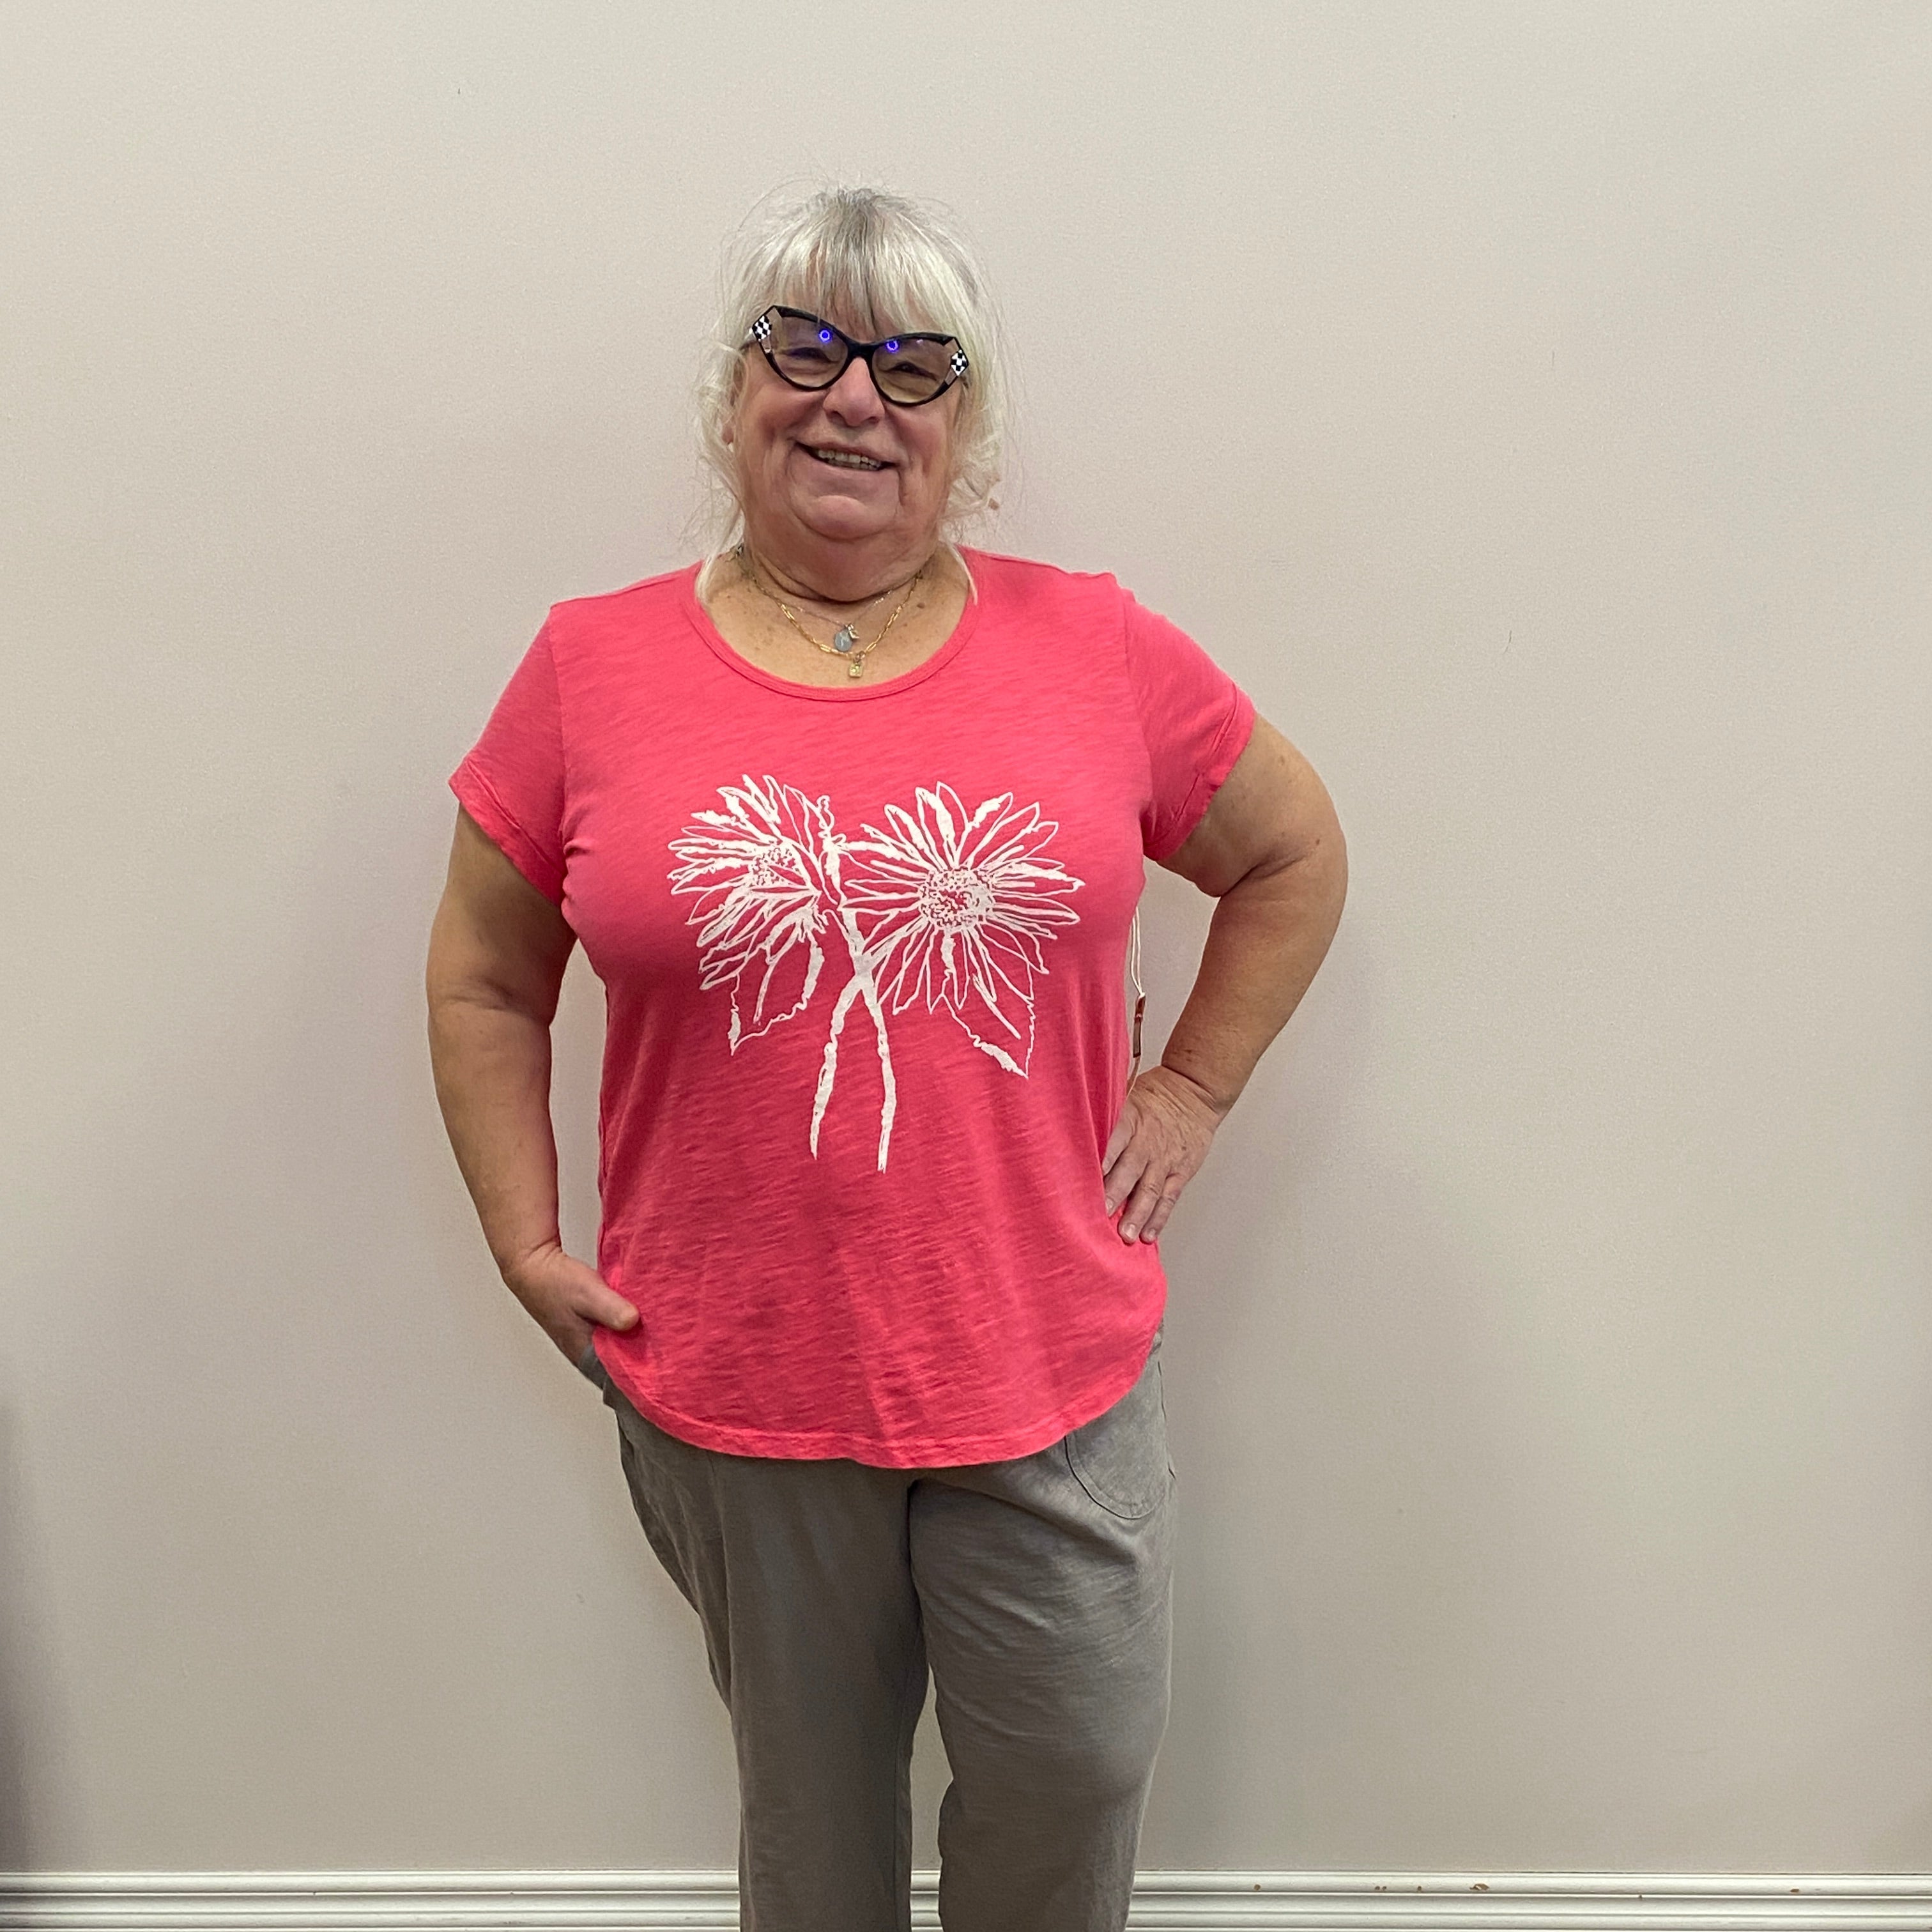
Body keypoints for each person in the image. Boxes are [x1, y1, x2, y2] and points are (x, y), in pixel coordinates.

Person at [424, 183, 1347, 1932]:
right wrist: (522, 1239)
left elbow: (1294, 853)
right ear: (732, 394)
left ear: (963, 429)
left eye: (916, 366)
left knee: (1073, 1772)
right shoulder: (589, 666)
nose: (857, 396)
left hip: (1047, 1354)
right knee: (815, 1833)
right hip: (743, 1373)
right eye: (809, 346)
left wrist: (1195, 1087)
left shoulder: (1095, 646)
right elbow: (483, 973)